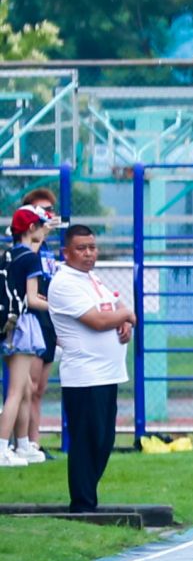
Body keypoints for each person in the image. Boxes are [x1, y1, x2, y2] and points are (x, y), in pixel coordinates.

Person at [45, 224, 135, 512]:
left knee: (104, 440)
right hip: (85, 376)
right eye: (81, 248)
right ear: (66, 252)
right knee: (87, 442)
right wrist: (127, 314)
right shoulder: (65, 283)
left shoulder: (92, 278)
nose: (88, 253)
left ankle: (88, 499)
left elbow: (113, 306)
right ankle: (82, 505)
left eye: (92, 247)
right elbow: (96, 321)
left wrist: (123, 320)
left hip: (107, 374)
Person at [2, 205, 59, 466]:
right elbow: (33, 299)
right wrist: (59, 306)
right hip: (23, 326)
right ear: (31, 228)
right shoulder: (31, 258)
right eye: (40, 225)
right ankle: (3, 447)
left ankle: (23, 445)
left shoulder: (8, 254)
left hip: (8, 324)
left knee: (25, 388)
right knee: (16, 391)